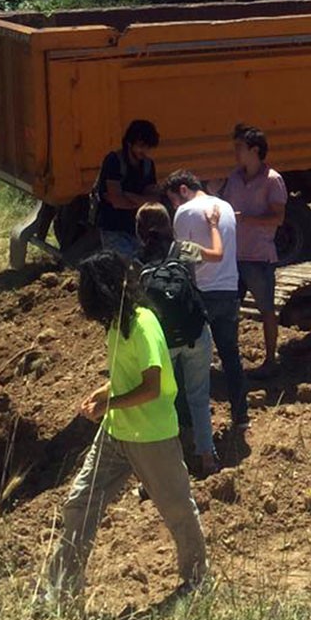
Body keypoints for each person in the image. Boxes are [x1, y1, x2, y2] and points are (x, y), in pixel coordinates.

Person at [38, 252, 207, 612]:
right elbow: (123, 379)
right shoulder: (115, 325)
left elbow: (152, 386)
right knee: (79, 505)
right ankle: (58, 593)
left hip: (151, 437)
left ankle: (197, 580)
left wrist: (108, 405)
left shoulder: (143, 323)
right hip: (117, 435)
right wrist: (102, 394)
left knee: (177, 508)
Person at [133, 203, 219, 478]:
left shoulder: (138, 260)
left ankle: (165, 466)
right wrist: (214, 226)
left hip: (163, 339)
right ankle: (207, 457)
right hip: (196, 332)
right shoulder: (184, 249)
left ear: (140, 230)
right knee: (199, 397)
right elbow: (216, 255)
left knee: (161, 402)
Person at [168, 170, 247, 446]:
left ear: (182, 190)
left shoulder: (185, 212)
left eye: (173, 201)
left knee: (188, 363)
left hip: (202, 293)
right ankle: (241, 415)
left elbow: (184, 258)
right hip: (230, 287)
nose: (174, 207)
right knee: (231, 355)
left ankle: (189, 425)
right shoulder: (223, 206)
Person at [224, 124, 288, 374]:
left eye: (239, 148)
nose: (235, 153)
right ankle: (232, 360)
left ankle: (271, 360)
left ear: (254, 150)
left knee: (266, 309)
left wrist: (245, 219)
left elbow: (278, 218)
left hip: (259, 257)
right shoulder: (234, 177)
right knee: (230, 311)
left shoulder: (272, 180)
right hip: (234, 256)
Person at [94, 120, 160, 258]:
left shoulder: (148, 165)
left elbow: (154, 200)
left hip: (138, 231)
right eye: (141, 146)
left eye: (148, 147)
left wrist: (128, 195)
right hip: (113, 229)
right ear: (130, 143)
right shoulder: (113, 161)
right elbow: (117, 201)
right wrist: (141, 201)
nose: (144, 151)